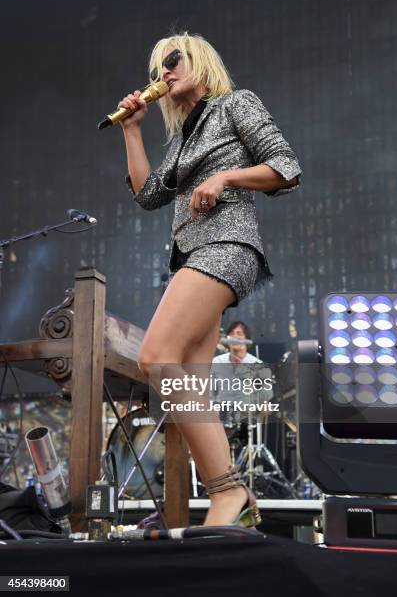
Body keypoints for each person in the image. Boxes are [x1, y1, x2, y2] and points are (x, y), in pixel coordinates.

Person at [119, 31, 302, 526]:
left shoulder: (234, 104)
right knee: (189, 383)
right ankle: (228, 499)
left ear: (199, 60)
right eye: (158, 68)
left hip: (227, 247)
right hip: (191, 257)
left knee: (156, 357)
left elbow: (285, 167)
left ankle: (228, 491)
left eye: (173, 60)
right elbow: (148, 195)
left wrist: (225, 178)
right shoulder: (181, 136)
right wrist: (132, 131)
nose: (165, 73)